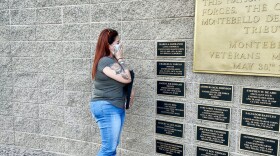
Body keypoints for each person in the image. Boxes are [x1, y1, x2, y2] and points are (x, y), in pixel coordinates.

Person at [90, 28, 135, 156]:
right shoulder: (105, 62)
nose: (120, 45)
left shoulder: (111, 62)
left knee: (112, 146)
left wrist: (130, 93)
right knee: (108, 148)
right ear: (108, 45)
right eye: (117, 42)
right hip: (107, 107)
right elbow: (127, 78)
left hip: (116, 106)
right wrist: (120, 58)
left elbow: (124, 81)